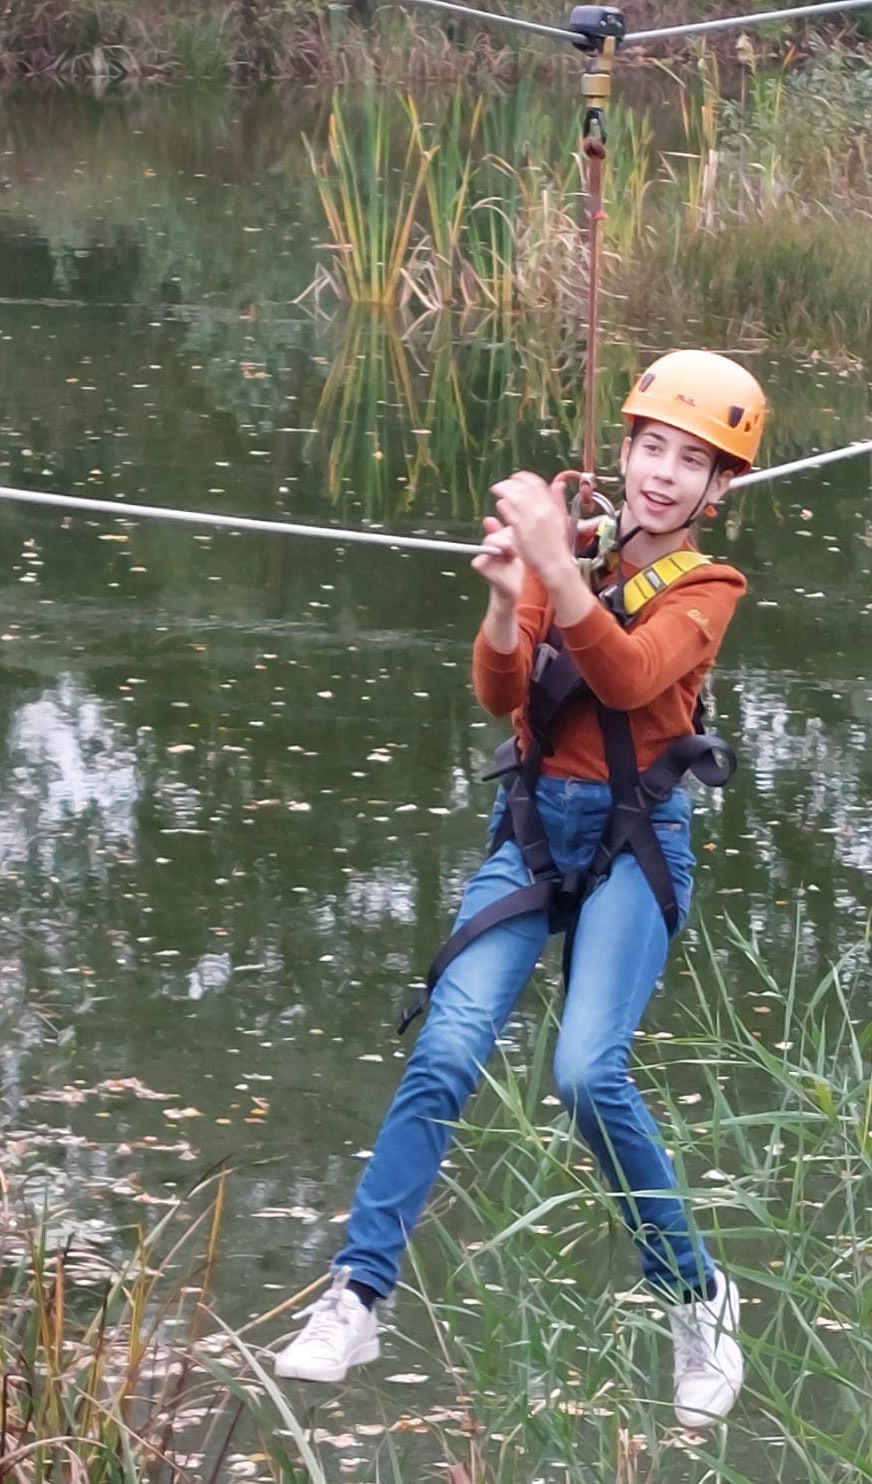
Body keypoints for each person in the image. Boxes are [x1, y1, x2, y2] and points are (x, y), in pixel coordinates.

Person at [274, 350, 763, 1429]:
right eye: (653, 449)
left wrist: (559, 565)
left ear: (721, 489)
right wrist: (510, 597)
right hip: (536, 832)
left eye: (694, 462)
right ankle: (358, 1294)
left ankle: (698, 1294)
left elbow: (631, 680)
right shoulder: (565, 555)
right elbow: (505, 690)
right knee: (446, 1047)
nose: (667, 476)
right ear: (625, 452)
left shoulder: (708, 588)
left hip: (638, 842)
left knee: (587, 1073)